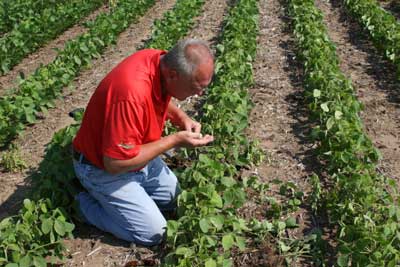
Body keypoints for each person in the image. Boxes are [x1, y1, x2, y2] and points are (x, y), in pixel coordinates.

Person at [71, 39, 214, 246]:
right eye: (196, 87)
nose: (200, 94)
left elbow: (157, 96)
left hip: (136, 154)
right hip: (101, 169)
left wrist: (181, 118)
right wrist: (173, 140)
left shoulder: (158, 61)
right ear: (174, 74)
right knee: (155, 233)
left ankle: (128, 198)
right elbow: (114, 164)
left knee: (175, 200)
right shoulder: (131, 93)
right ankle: (81, 204)